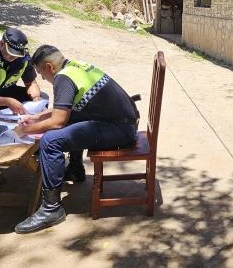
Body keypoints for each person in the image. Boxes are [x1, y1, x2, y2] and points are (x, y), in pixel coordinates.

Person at [13, 45, 139, 234]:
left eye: (40, 73)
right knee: (73, 119)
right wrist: (38, 117)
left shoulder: (64, 78)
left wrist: (24, 131)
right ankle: (75, 169)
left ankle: (51, 209)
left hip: (119, 130)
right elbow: (66, 108)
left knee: (50, 140)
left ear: (49, 67)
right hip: (124, 122)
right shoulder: (76, 66)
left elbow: (58, 121)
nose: (41, 78)